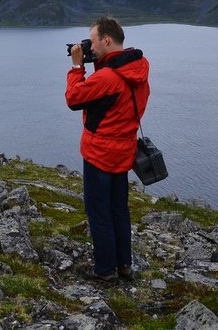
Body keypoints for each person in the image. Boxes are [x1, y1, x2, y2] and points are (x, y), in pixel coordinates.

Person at [65, 16, 150, 284]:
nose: (88, 47)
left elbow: (74, 98)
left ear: (106, 40)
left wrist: (77, 66)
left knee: (99, 212)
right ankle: (124, 264)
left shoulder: (108, 77)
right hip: (122, 152)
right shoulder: (137, 69)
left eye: (91, 42)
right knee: (118, 210)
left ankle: (104, 270)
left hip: (99, 154)